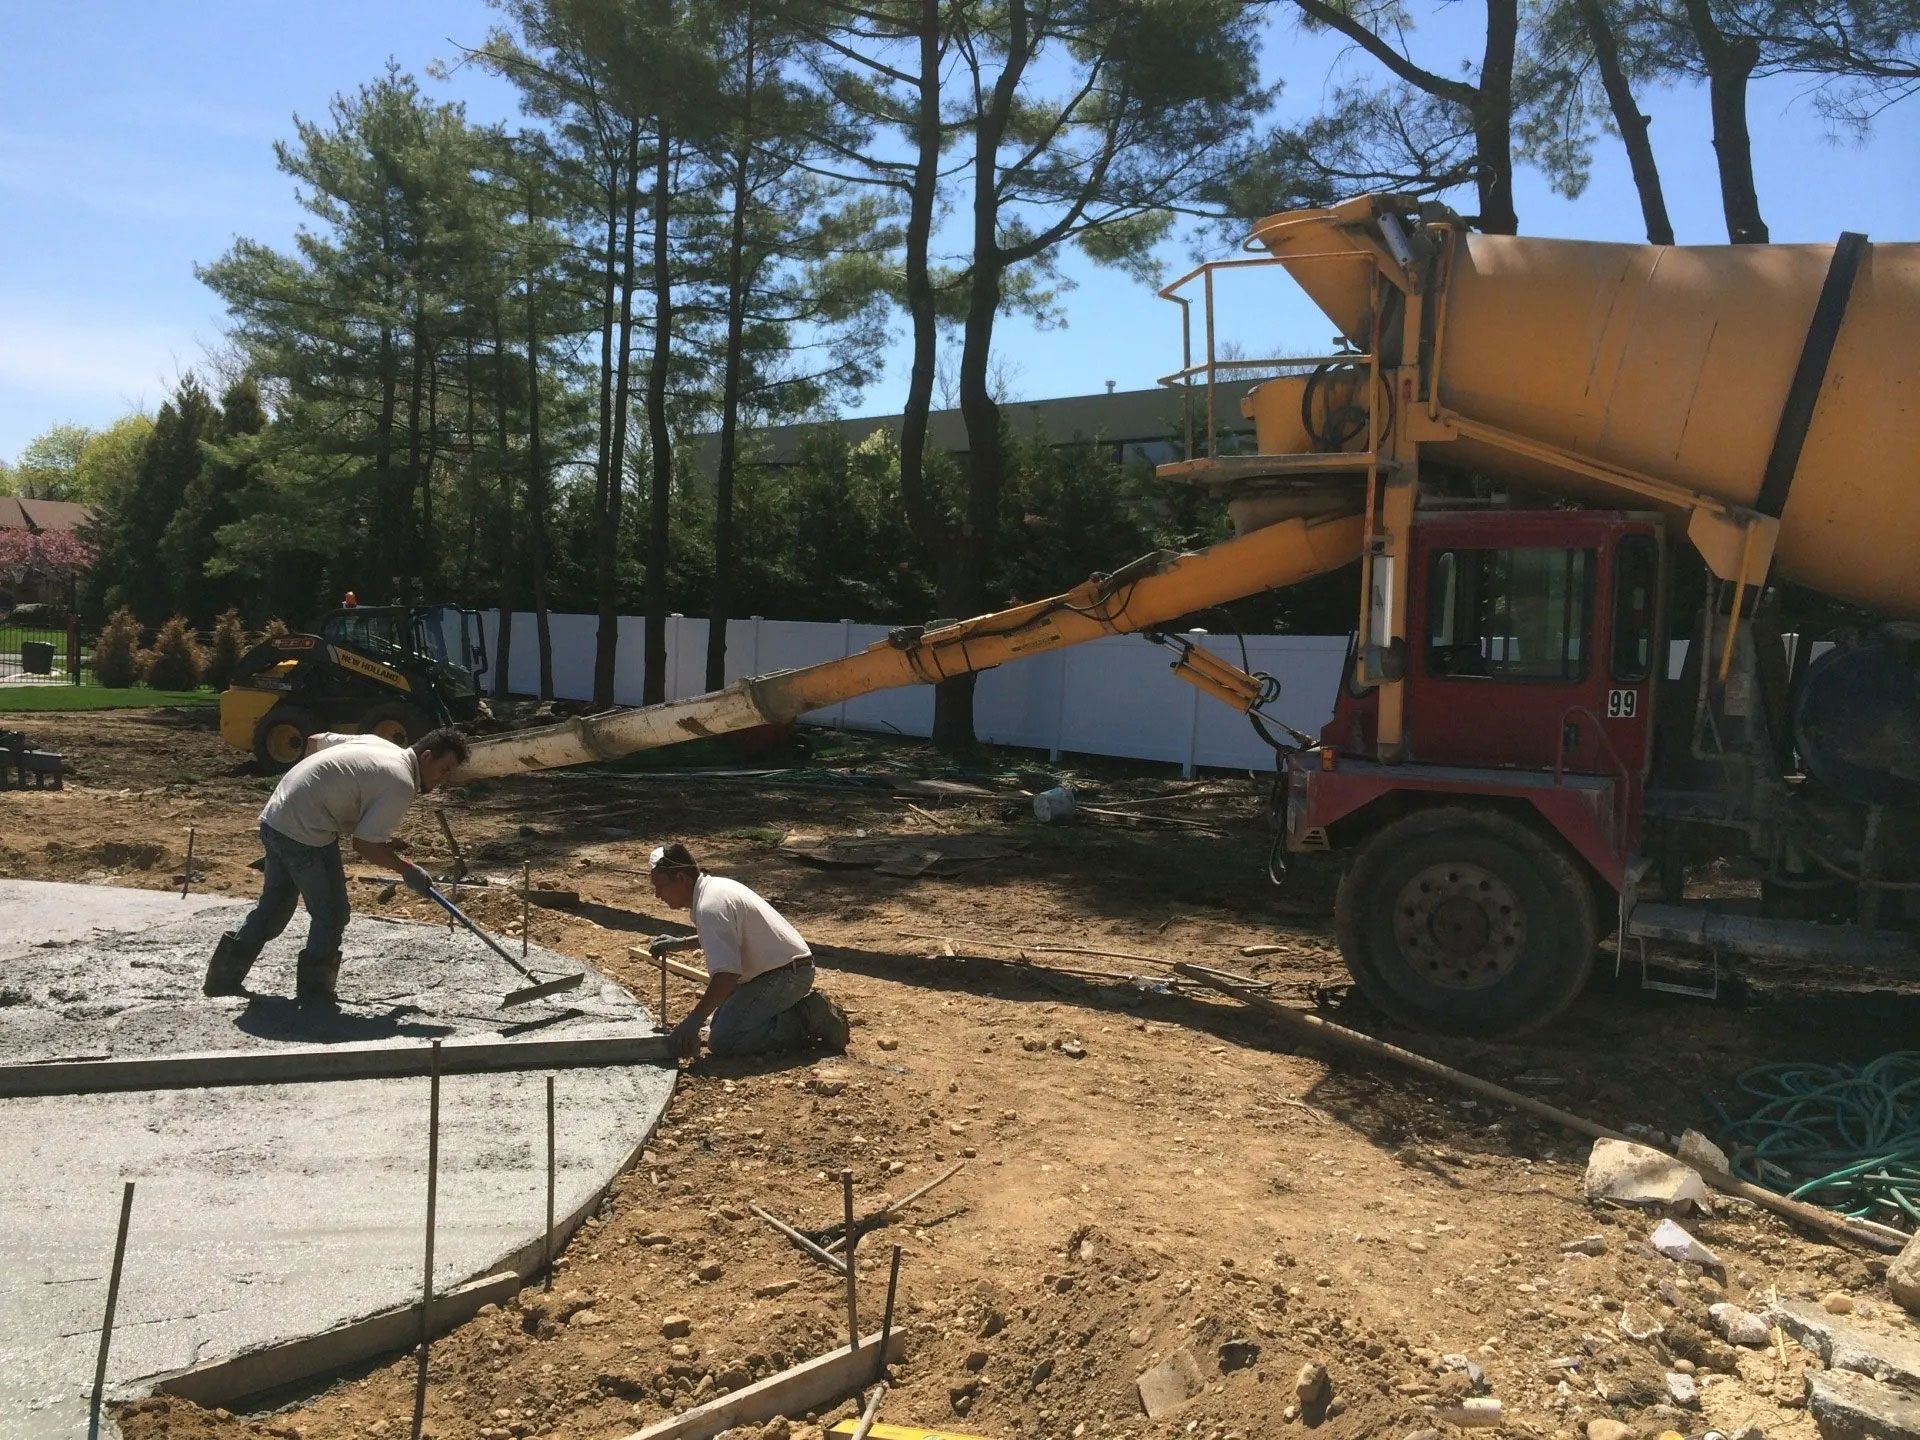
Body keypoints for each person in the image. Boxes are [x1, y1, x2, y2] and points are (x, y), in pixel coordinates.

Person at [202, 727, 470, 1002]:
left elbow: (315, 741)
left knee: (274, 907)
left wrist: (313, 791)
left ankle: (221, 981)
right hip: (305, 831)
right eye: (444, 769)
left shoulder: (378, 744)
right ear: (426, 757)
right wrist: (407, 870)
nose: (444, 779)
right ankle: (314, 996)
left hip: (277, 817)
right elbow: (364, 844)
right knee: (331, 914)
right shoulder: (401, 782)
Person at [647, 842, 849, 1060]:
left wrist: (692, 1022)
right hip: (779, 969)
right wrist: (682, 942)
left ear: (680, 879)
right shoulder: (713, 891)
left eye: (660, 886)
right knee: (718, 1023)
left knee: (725, 1039)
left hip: (786, 975)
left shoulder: (710, 906)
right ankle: (788, 1013)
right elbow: (728, 935)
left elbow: (726, 976)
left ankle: (808, 1015)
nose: (658, 894)